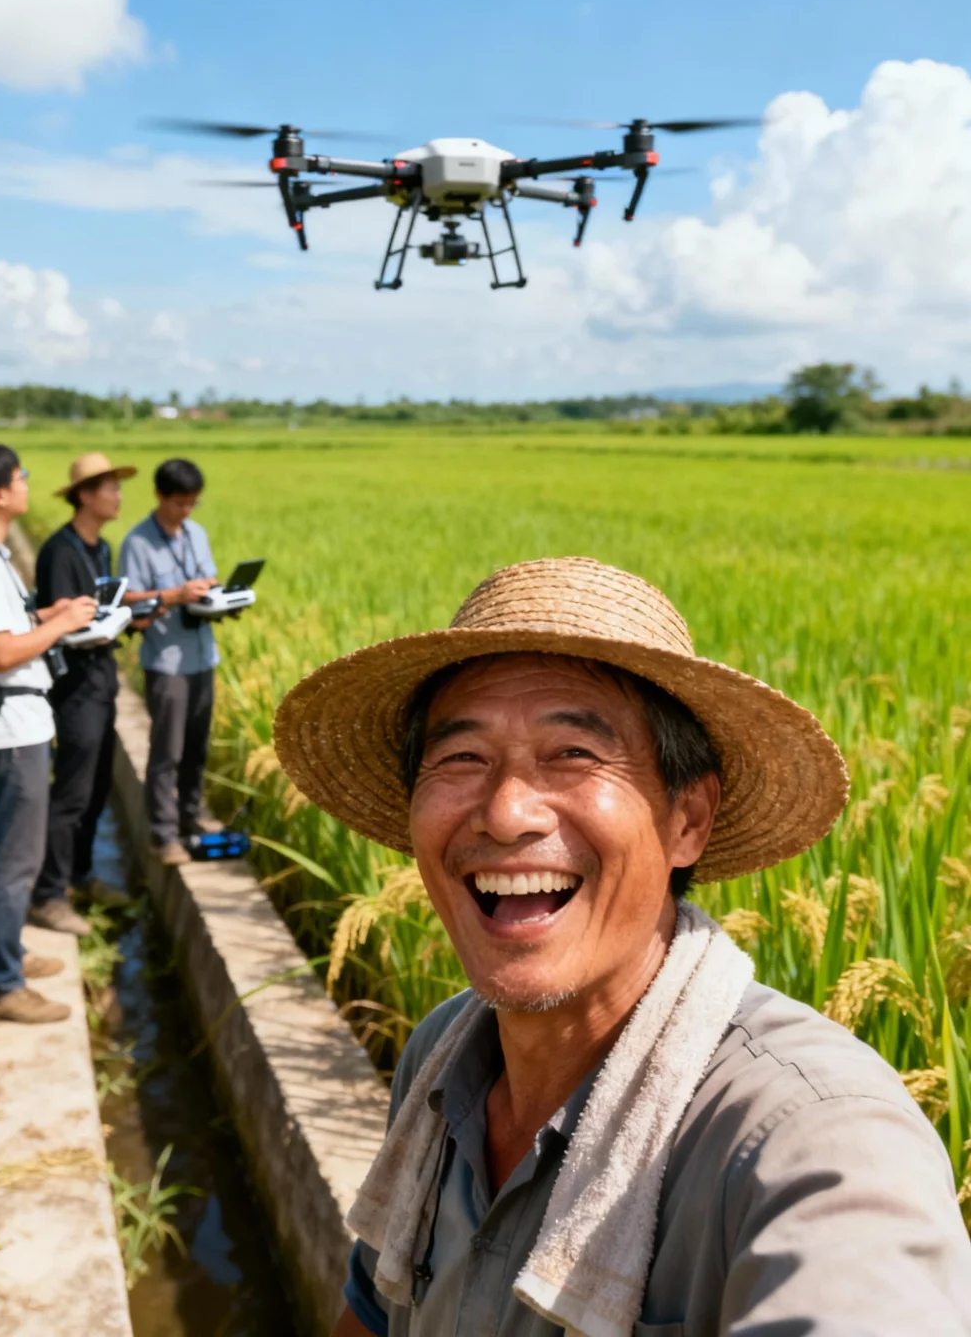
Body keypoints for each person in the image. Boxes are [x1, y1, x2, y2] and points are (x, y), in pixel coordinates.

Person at [274, 557, 971, 1337]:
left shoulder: (812, 1142)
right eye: (462, 758)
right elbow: (373, 1312)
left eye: (573, 754)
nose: (505, 814)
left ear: (687, 821)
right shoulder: (442, 1058)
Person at [0, 443, 97, 1024]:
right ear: (0, 493)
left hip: (10, 726)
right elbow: (1, 651)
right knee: (10, 862)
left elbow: (7, 628)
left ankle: (9, 956)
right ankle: (1, 984)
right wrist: (61, 630)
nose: (29, 483)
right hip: (7, 730)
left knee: (7, 856)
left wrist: (50, 616)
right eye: (21, 476)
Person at [27, 452, 138, 936]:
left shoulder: (101, 548)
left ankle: (81, 874)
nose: (118, 496)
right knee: (71, 792)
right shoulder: (60, 551)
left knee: (95, 789)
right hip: (74, 687)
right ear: (86, 495)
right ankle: (48, 896)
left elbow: (99, 613)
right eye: (110, 488)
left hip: (102, 680)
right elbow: (60, 624)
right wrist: (93, 625)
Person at [119, 458, 223, 865]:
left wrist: (216, 595)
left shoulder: (196, 534)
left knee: (196, 748)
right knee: (168, 751)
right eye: (179, 503)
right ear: (160, 496)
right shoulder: (137, 543)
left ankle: (189, 820)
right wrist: (175, 595)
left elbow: (208, 577)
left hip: (202, 655)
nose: (186, 511)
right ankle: (162, 836)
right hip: (166, 660)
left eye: (192, 504)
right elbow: (129, 601)